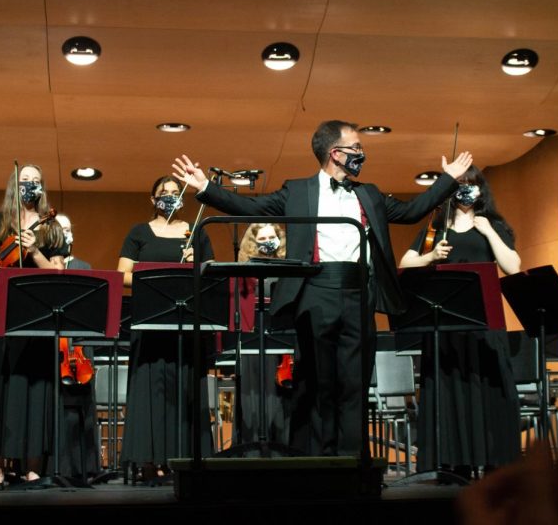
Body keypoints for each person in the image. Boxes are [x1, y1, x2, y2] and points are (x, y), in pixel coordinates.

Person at [173, 119, 472, 456]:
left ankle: (351, 460)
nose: (362, 153)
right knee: (317, 382)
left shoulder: (368, 193)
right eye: (356, 148)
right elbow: (252, 208)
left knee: (354, 381)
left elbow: (411, 211)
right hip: (315, 289)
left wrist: (449, 179)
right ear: (336, 153)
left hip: (359, 292)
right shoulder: (298, 191)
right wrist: (205, 188)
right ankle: (318, 459)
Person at [399, 165, 521, 476]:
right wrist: (430, 257)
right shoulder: (435, 227)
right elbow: (405, 263)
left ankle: (495, 463)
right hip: (446, 329)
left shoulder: (495, 225)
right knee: (449, 394)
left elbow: (512, 266)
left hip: (485, 328)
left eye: (473, 184)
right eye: (460, 184)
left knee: (488, 393)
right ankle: (454, 465)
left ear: (482, 190)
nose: (467, 190)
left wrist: (488, 231)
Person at [0, 164, 67, 486]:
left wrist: (34, 252)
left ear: (42, 187)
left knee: (31, 386)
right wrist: (0, 278)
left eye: (36, 181)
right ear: (13, 186)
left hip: (35, 313)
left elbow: (59, 274)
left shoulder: (53, 227)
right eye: (24, 181)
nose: (30, 186)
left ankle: (33, 464)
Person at [117, 175, 215, 481]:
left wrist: (194, 265)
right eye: (164, 193)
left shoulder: (195, 233)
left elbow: (211, 275)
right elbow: (122, 275)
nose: (170, 197)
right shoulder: (138, 232)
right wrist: (160, 276)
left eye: (175, 193)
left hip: (185, 326)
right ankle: (149, 460)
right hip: (149, 323)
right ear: (153, 199)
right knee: (150, 391)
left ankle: (185, 459)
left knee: (184, 390)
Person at [233, 223, 292, 446]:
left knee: (282, 393)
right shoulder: (245, 271)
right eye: (262, 238)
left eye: (272, 237)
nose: (267, 241)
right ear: (253, 242)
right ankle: (252, 444)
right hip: (252, 338)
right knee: (253, 392)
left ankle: (282, 444)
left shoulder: (288, 267)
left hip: (281, 338)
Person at [53, 213, 99, 481]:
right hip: (54, 346)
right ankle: (58, 466)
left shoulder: (84, 265)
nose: (66, 233)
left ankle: (85, 466)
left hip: (80, 344)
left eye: (69, 229)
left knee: (84, 404)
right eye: (61, 229)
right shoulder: (44, 264)